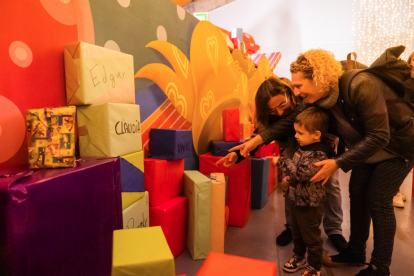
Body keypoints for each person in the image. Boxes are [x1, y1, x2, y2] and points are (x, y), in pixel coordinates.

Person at [237, 48, 414, 276]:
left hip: (398, 148)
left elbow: (380, 136)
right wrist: (256, 140)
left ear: (319, 78)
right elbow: (291, 120)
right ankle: (356, 251)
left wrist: (337, 162)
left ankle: (380, 267)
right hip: (367, 149)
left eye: (299, 86)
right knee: (358, 193)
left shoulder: (360, 84)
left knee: (378, 199)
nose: (296, 92)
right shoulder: (319, 96)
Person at [217, 77, 348, 252]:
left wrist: (335, 157)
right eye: (272, 110)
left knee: (329, 183)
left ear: (289, 92)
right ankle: (292, 227)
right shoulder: (271, 117)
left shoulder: (306, 100)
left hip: (321, 141)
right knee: (291, 184)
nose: (279, 112)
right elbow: (262, 135)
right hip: (292, 144)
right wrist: (237, 155)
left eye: (282, 104)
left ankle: (334, 230)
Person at [279, 106, 333, 276]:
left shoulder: (319, 154)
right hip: (296, 199)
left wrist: (281, 162)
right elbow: (296, 173)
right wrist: (289, 178)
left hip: (309, 204)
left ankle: (314, 266)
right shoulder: (302, 148)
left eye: (300, 133)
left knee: (311, 237)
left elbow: (302, 173)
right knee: (296, 232)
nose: (296, 136)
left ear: (316, 134)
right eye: (296, 132)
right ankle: (299, 257)